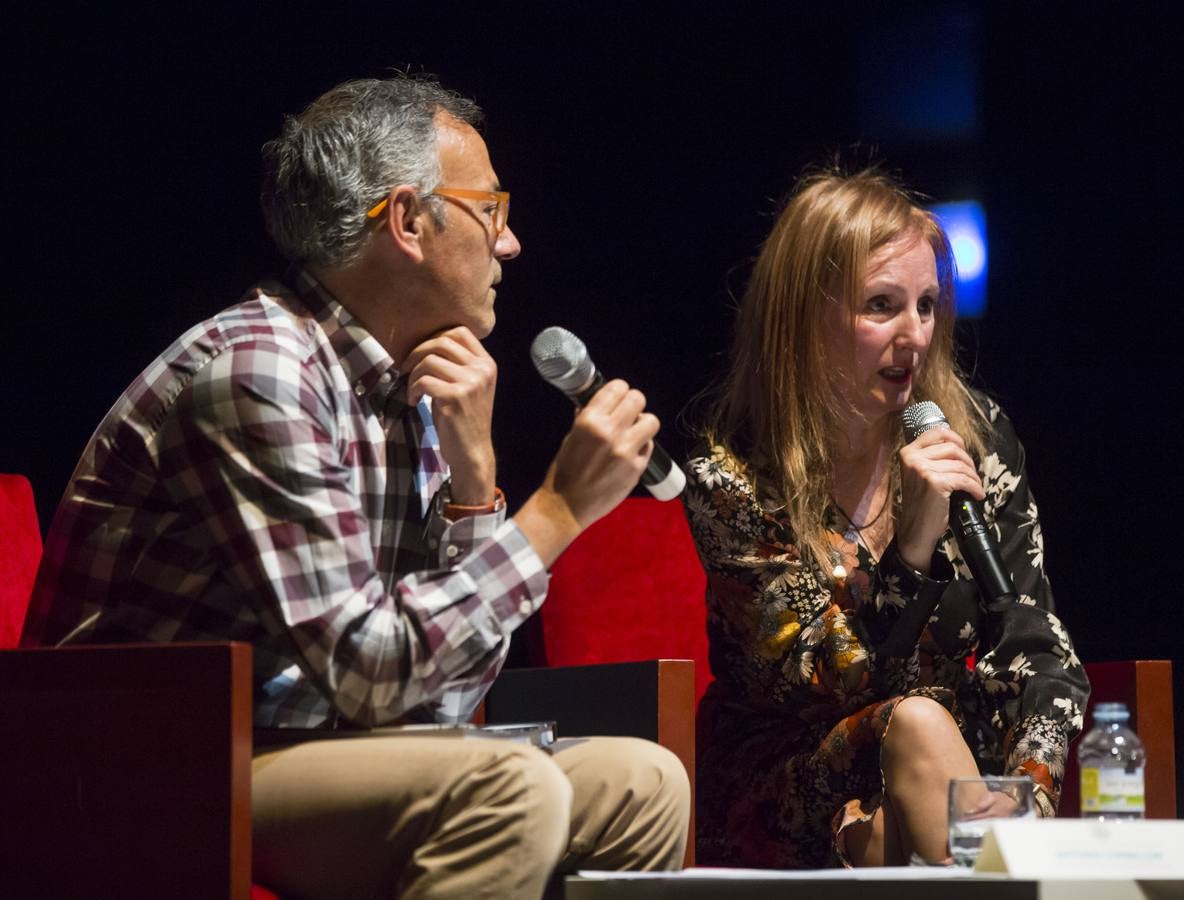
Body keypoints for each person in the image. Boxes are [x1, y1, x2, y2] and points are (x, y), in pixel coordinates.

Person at [23, 76, 689, 899]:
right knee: (507, 792)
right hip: (143, 776)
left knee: (641, 783)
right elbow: (374, 675)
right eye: (491, 208)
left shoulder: (415, 382)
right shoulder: (260, 372)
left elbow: (442, 705)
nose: (510, 243)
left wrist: (476, 489)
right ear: (408, 222)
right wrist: (552, 513)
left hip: (305, 748)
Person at [683, 167, 1089, 867]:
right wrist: (912, 549)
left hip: (949, 775)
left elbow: (1036, 647)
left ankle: (989, 848)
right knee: (915, 730)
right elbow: (826, 681)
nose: (915, 336)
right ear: (803, 318)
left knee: (916, 800)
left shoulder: (976, 435)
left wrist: (1025, 789)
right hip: (792, 772)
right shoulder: (733, 479)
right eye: (881, 306)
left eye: (927, 306)